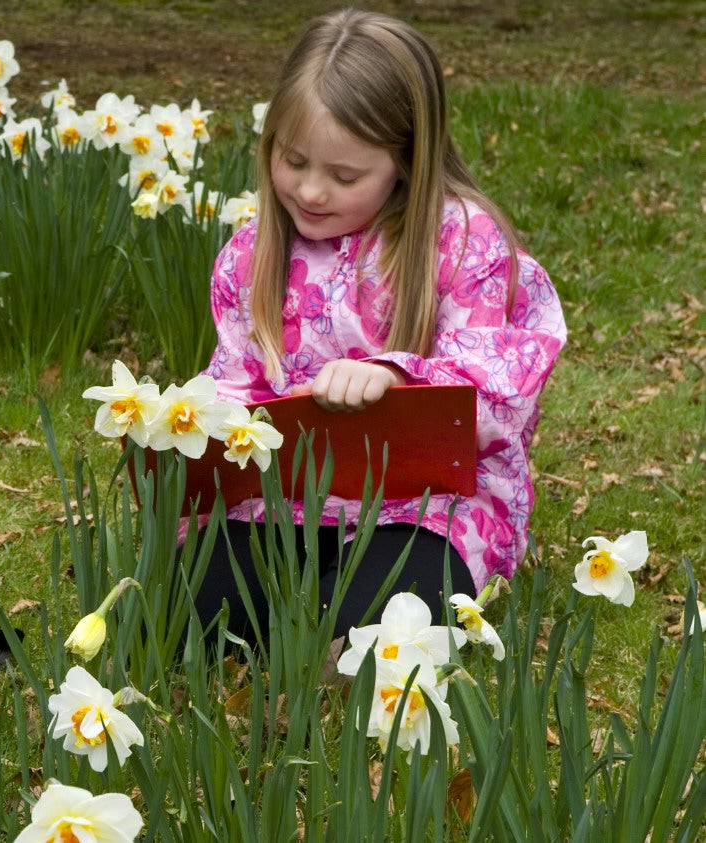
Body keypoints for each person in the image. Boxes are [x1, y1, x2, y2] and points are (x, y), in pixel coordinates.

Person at [192, 8, 566, 643]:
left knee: (379, 632)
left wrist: (393, 378)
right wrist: (190, 419)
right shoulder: (251, 257)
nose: (311, 192)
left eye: (344, 176)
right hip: (283, 506)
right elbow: (237, 383)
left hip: (429, 507)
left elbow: (497, 390)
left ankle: (348, 611)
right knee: (196, 613)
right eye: (293, 160)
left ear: (407, 161)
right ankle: (301, 593)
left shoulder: (462, 243)